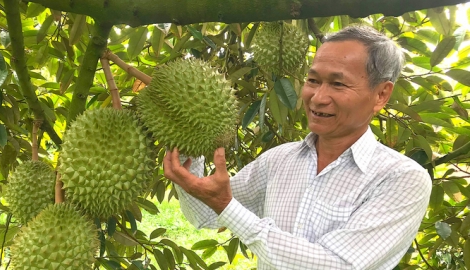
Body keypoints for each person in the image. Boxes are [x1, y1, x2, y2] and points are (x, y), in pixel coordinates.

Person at [163, 25, 432, 269]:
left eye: (337, 84)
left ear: (381, 94)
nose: (317, 97)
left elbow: (337, 265)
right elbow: (206, 216)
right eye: (313, 80)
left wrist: (226, 205)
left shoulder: (402, 178)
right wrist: (185, 136)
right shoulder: (279, 159)